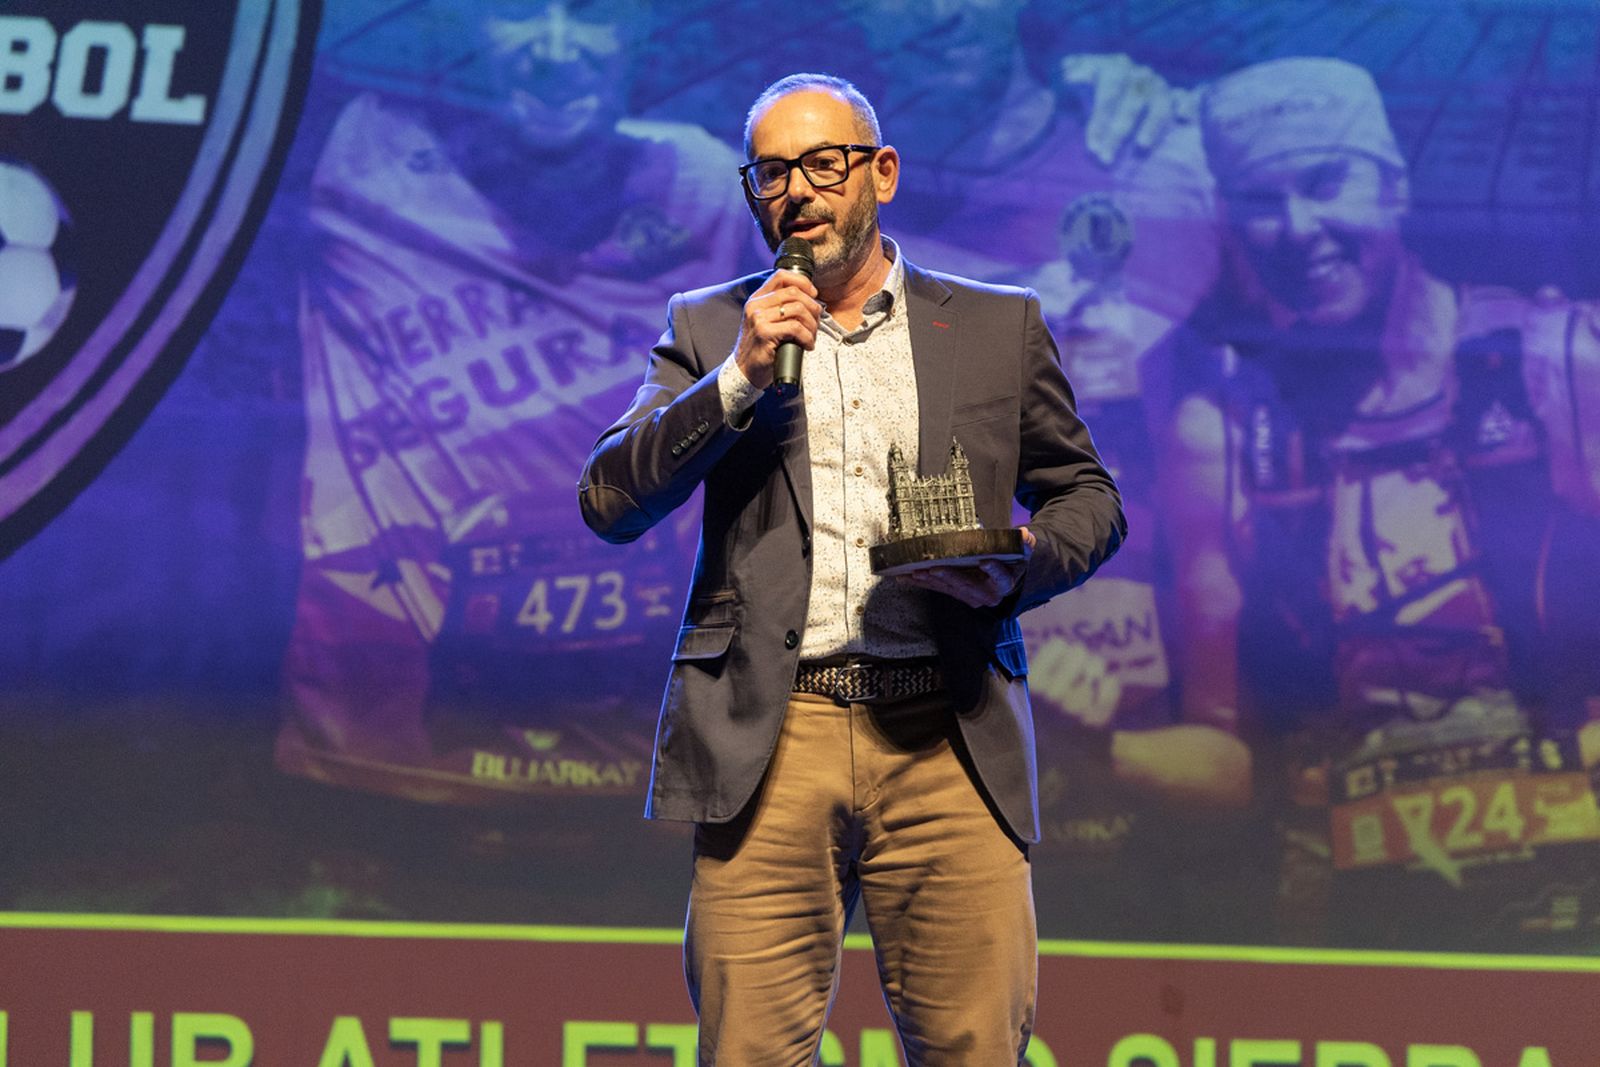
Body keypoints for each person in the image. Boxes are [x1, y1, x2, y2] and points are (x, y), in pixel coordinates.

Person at [579, 73, 1124, 1062]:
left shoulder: (997, 326)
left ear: (880, 172)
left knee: (974, 1045)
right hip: (772, 738)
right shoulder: (711, 327)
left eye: (822, 164)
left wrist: (1016, 566)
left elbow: (1087, 498)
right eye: (771, 172)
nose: (797, 191)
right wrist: (739, 376)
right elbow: (609, 500)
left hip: (947, 733)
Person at [1151, 57, 1600, 948]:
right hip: (1344, 932)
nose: (1296, 228)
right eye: (1258, 203)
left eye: (1324, 184)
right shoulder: (1228, 428)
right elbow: (1227, 762)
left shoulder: (1558, 360)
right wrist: (1060, 742)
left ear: (1395, 186)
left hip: (1566, 913)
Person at [275, 0, 755, 806]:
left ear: (638, 36)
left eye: (594, 15)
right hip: (384, 755)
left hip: (636, 751)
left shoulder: (703, 187)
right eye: (517, 10)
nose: (557, 48)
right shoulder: (351, 156)